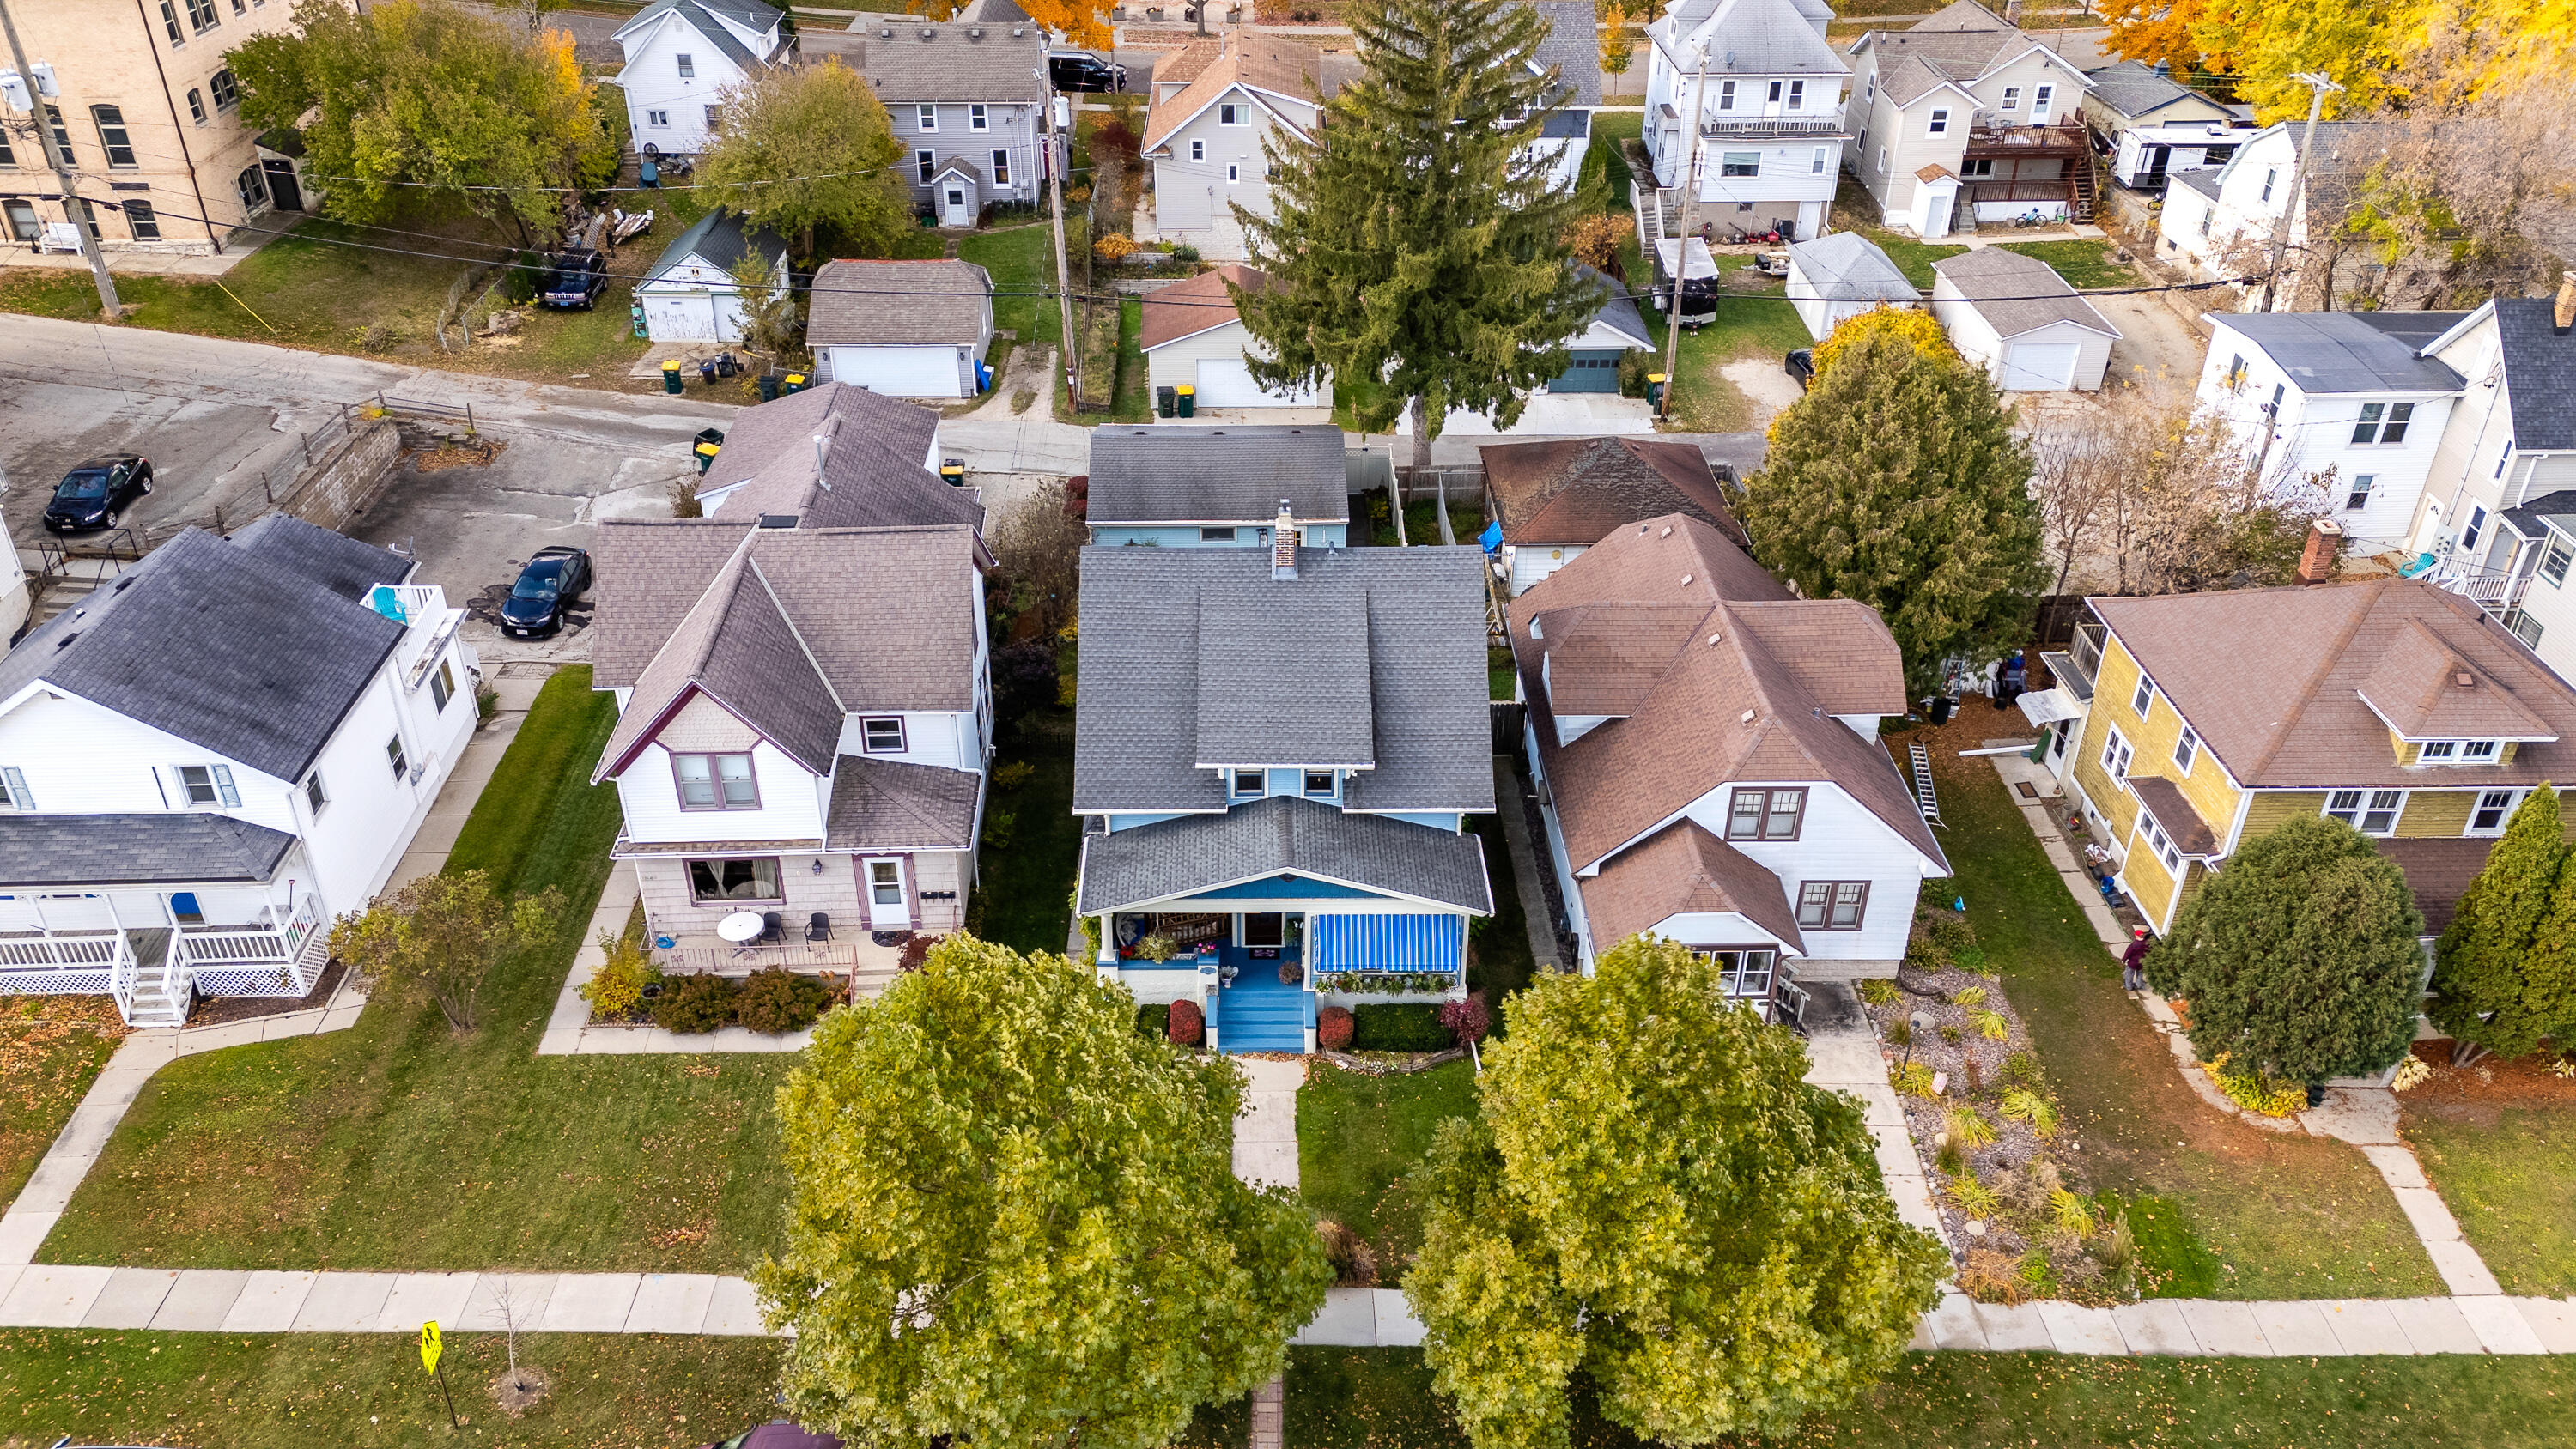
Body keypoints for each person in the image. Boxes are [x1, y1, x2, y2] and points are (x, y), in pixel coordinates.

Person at [2121, 926, 2151, 993]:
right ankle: (2139, 985)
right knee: (2140, 975)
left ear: (2136, 935)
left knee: (2129, 975)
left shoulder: (2134, 945)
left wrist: (2124, 960)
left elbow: (2128, 954)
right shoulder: (2147, 944)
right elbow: (2149, 952)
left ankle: (2129, 987)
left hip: (2133, 963)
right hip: (2141, 963)